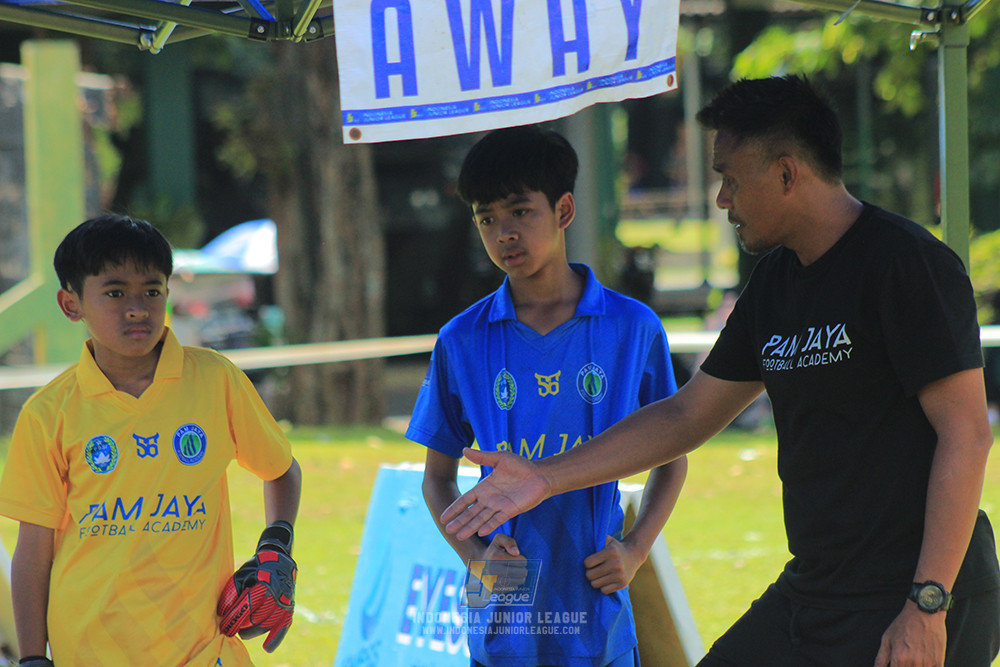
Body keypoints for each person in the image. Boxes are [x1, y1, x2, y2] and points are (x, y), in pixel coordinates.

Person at [440, 76, 1000, 667]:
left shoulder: (907, 265)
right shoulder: (777, 284)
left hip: (924, 592)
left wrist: (928, 604)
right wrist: (544, 478)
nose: (721, 199)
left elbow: (966, 433)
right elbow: (686, 415)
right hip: (820, 587)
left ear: (786, 174)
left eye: (730, 178)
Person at [406, 125, 688, 667]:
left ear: (563, 210)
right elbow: (436, 479)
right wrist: (478, 558)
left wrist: (634, 550)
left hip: (597, 610)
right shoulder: (461, 340)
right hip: (502, 620)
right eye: (486, 219)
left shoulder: (632, 329)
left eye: (519, 212)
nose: (504, 233)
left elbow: (671, 462)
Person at [0, 215, 302, 666]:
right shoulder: (49, 412)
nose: (137, 307)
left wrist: (276, 548)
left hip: (203, 647)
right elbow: (33, 548)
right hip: (87, 647)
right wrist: (30, 657)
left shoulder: (215, 379)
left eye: (152, 290)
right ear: (71, 303)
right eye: (115, 292)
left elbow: (281, 470)